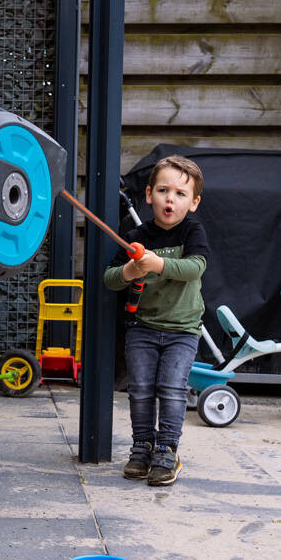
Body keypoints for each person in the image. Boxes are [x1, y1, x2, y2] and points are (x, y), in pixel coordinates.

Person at [104, 155, 208, 486]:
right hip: (142, 328)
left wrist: (156, 265)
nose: (170, 199)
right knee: (141, 391)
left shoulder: (193, 230)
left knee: (173, 390)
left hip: (182, 330)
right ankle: (142, 448)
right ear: (148, 195)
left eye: (180, 194)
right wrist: (130, 270)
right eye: (163, 190)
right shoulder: (137, 234)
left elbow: (195, 267)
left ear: (193, 203)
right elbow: (110, 278)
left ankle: (167, 450)